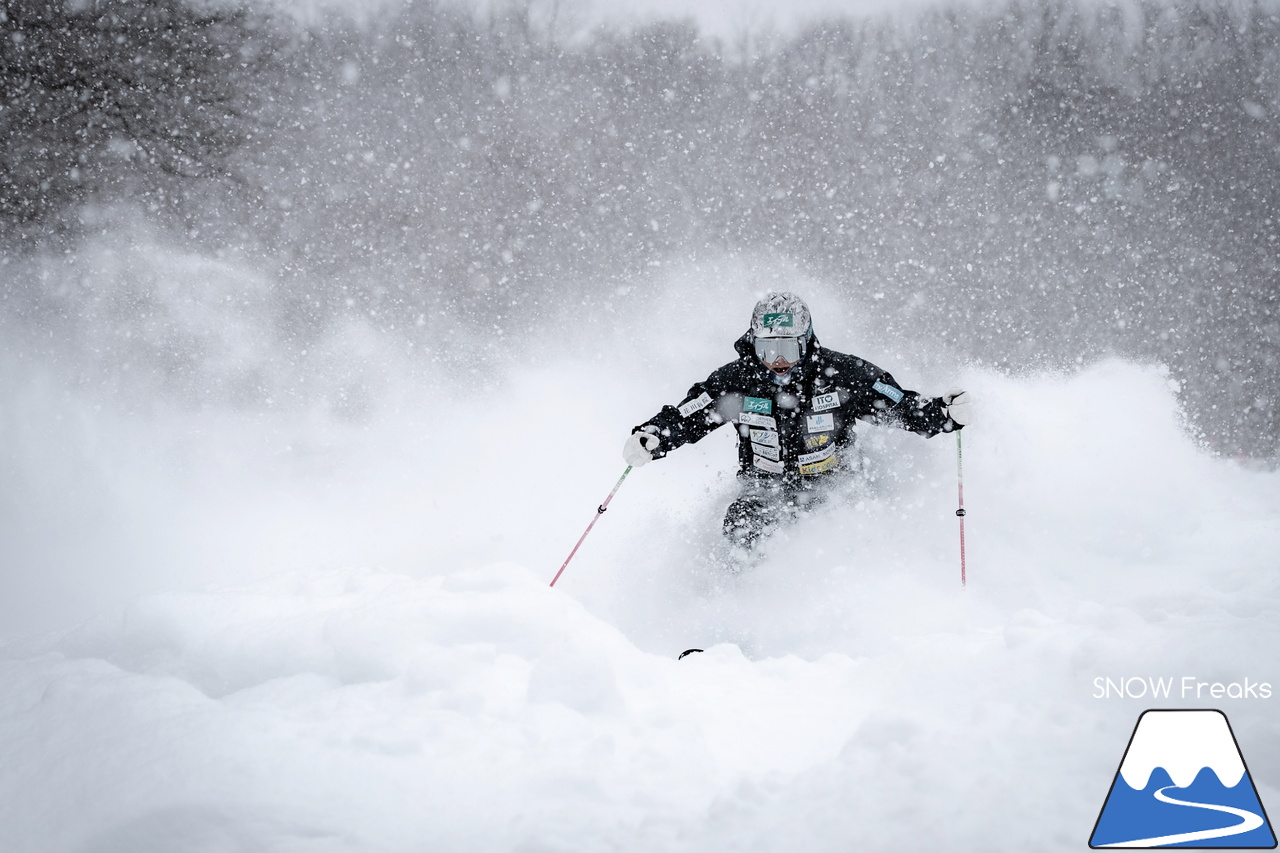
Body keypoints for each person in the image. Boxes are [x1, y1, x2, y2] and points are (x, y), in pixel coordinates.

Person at [622, 292, 970, 551]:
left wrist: (942, 415)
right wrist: (653, 436)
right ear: (752, 343)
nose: (778, 362)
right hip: (764, 488)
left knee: (838, 529)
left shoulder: (842, 375)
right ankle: (742, 601)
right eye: (766, 350)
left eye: (787, 349)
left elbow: (897, 404)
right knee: (743, 522)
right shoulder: (736, 381)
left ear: (806, 342)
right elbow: (690, 414)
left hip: (834, 485)